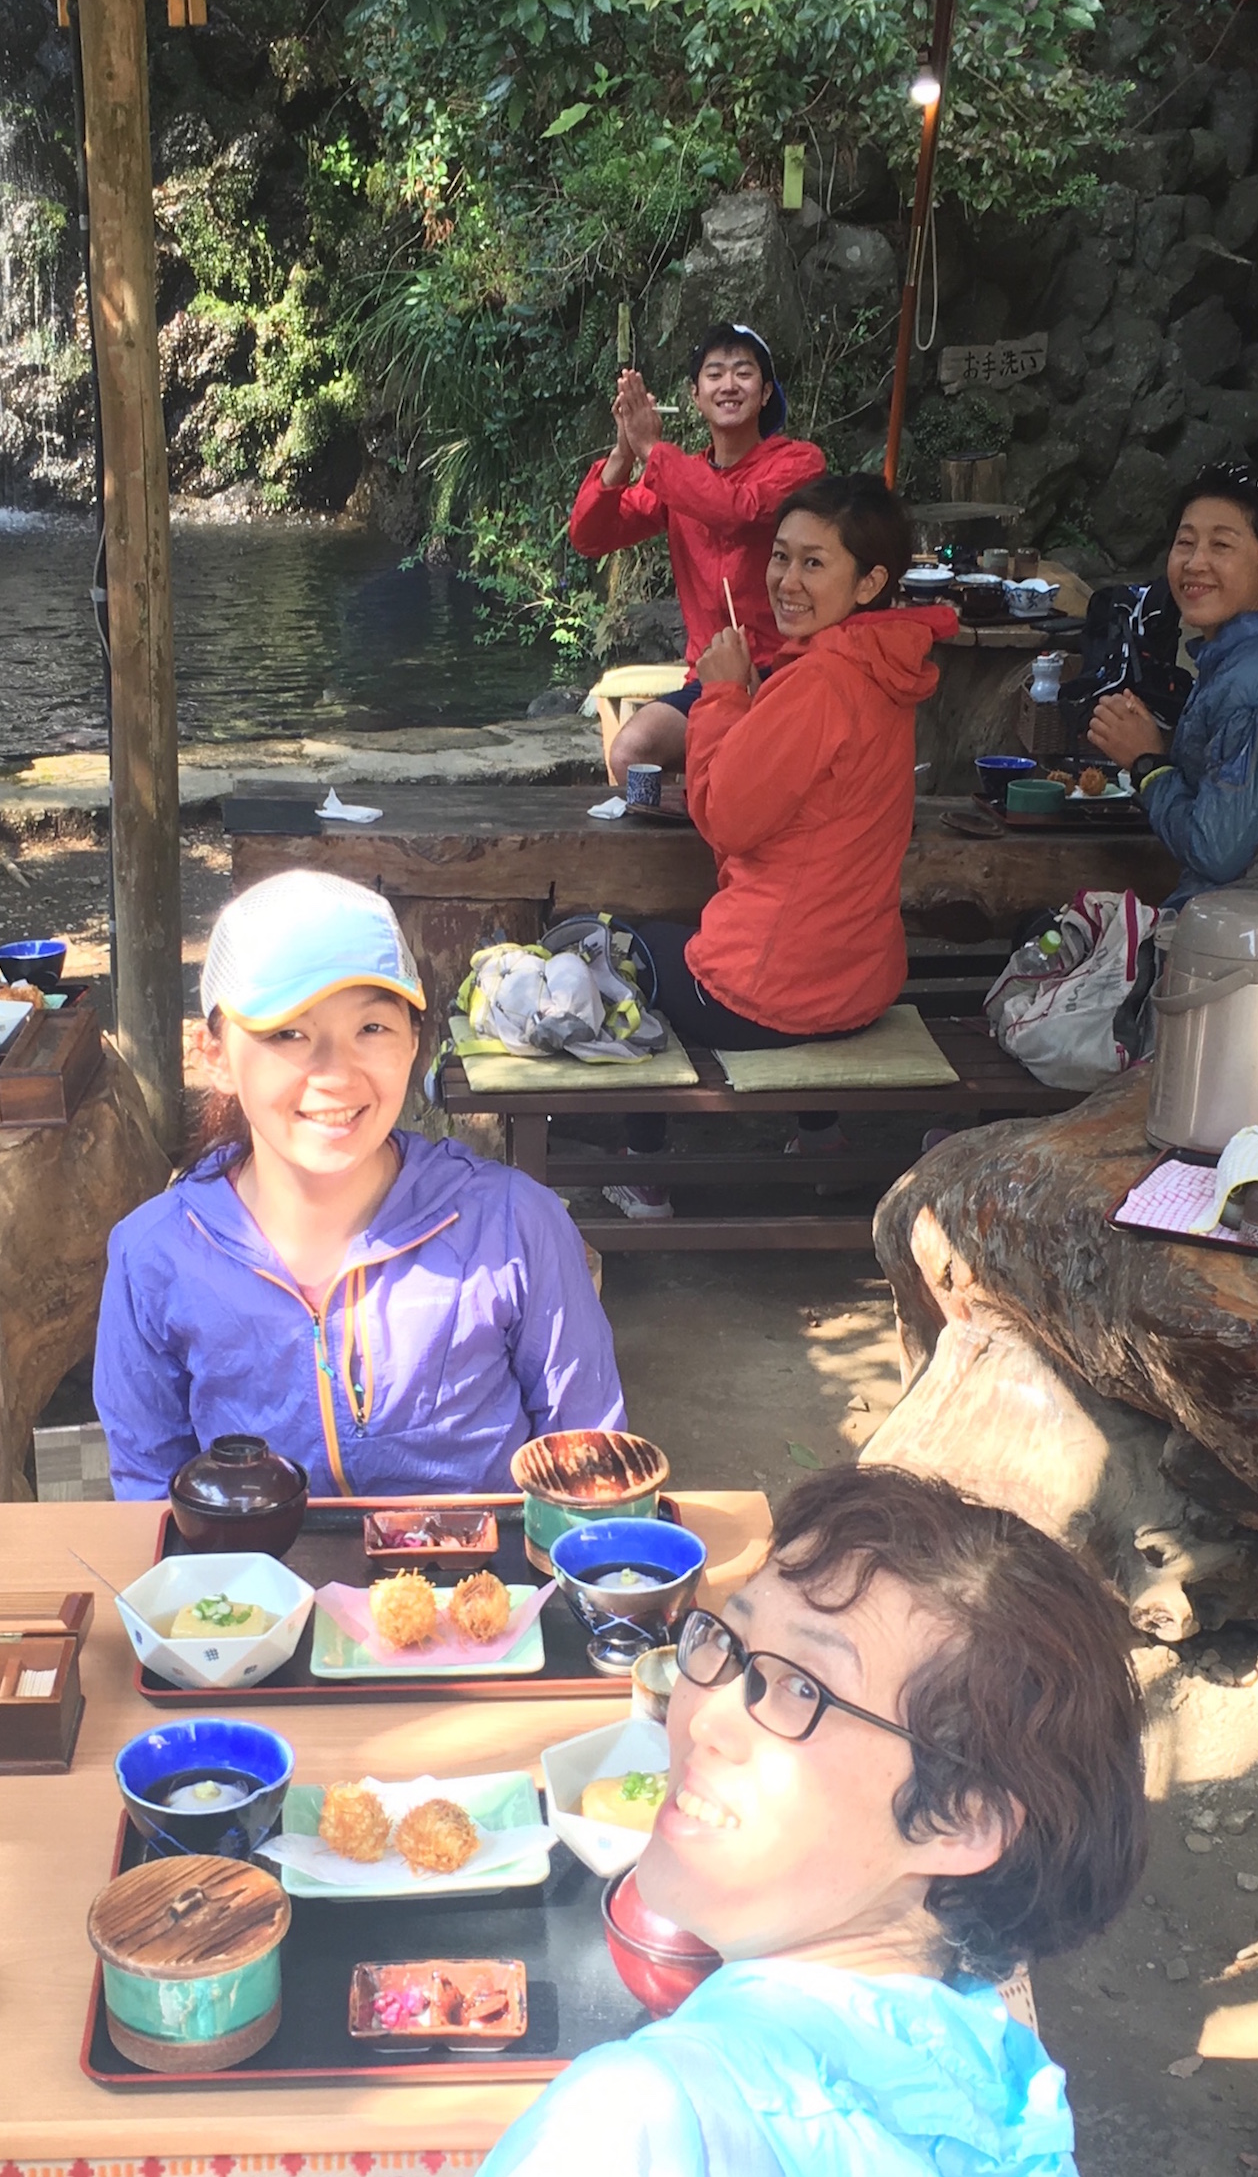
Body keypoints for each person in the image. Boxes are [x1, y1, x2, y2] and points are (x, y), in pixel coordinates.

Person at [326, 1465, 1146, 2177]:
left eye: (801, 1689)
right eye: (728, 1644)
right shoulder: (1014, 2108)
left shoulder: (639, 2138)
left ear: (959, 1819)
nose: (704, 1714)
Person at [95, 870, 627, 1498]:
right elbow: (153, 1499)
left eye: (371, 1028)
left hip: (488, 1565)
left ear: (413, 1044)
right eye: (288, 1033)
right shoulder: (154, 1255)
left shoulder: (514, 1226)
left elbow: (591, 1475)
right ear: (214, 1056)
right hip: (257, 1568)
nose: (336, 1075)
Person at [608, 472, 953, 1223]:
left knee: (617, 950)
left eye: (813, 563)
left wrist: (722, 693)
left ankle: (642, 1170)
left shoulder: (822, 680)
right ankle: (821, 1139)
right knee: (740, 931)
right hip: (859, 987)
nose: (787, 581)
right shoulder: (885, 668)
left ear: (870, 582)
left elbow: (725, 819)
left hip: (770, 998)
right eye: (781, 557)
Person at [1084, 458, 1258, 920]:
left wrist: (1148, 765)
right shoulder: (1237, 659)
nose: (1194, 563)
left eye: (1221, 545)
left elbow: (1216, 850)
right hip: (1234, 926)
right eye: (1185, 542)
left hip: (1254, 940)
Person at [569, 323, 827, 786]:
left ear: (766, 392)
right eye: (714, 374)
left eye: (743, 373)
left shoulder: (799, 462)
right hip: (710, 677)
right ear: (695, 395)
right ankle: (684, 826)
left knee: (750, 768)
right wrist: (624, 454)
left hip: (788, 669)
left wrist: (653, 450)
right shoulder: (678, 477)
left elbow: (736, 510)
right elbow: (590, 537)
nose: (729, 385)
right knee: (630, 753)